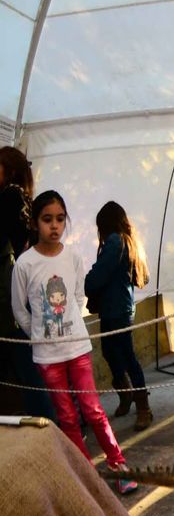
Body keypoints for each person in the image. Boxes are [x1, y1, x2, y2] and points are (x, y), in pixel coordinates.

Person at [11, 190, 138, 494]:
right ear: (35, 222)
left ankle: (118, 464)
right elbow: (20, 310)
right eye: (46, 220)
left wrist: (67, 328)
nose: (54, 226)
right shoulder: (24, 264)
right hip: (47, 355)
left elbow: (79, 297)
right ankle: (86, 475)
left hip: (78, 349)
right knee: (66, 415)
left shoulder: (73, 257)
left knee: (93, 409)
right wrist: (42, 336)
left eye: (59, 219)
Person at [84, 201, 152, 430]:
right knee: (113, 354)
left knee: (125, 356)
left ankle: (143, 407)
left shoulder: (115, 241)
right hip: (118, 307)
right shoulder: (127, 240)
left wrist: (88, 282)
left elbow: (97, 276)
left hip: (116, 309)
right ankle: (127, 395)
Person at [0, 146, 56, 421]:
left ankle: (52, 428)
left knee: (29, 369)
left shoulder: (9, 196)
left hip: (13, 301)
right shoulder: (24, 199)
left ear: (8, 170)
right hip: (27, 295)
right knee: (33, 368)